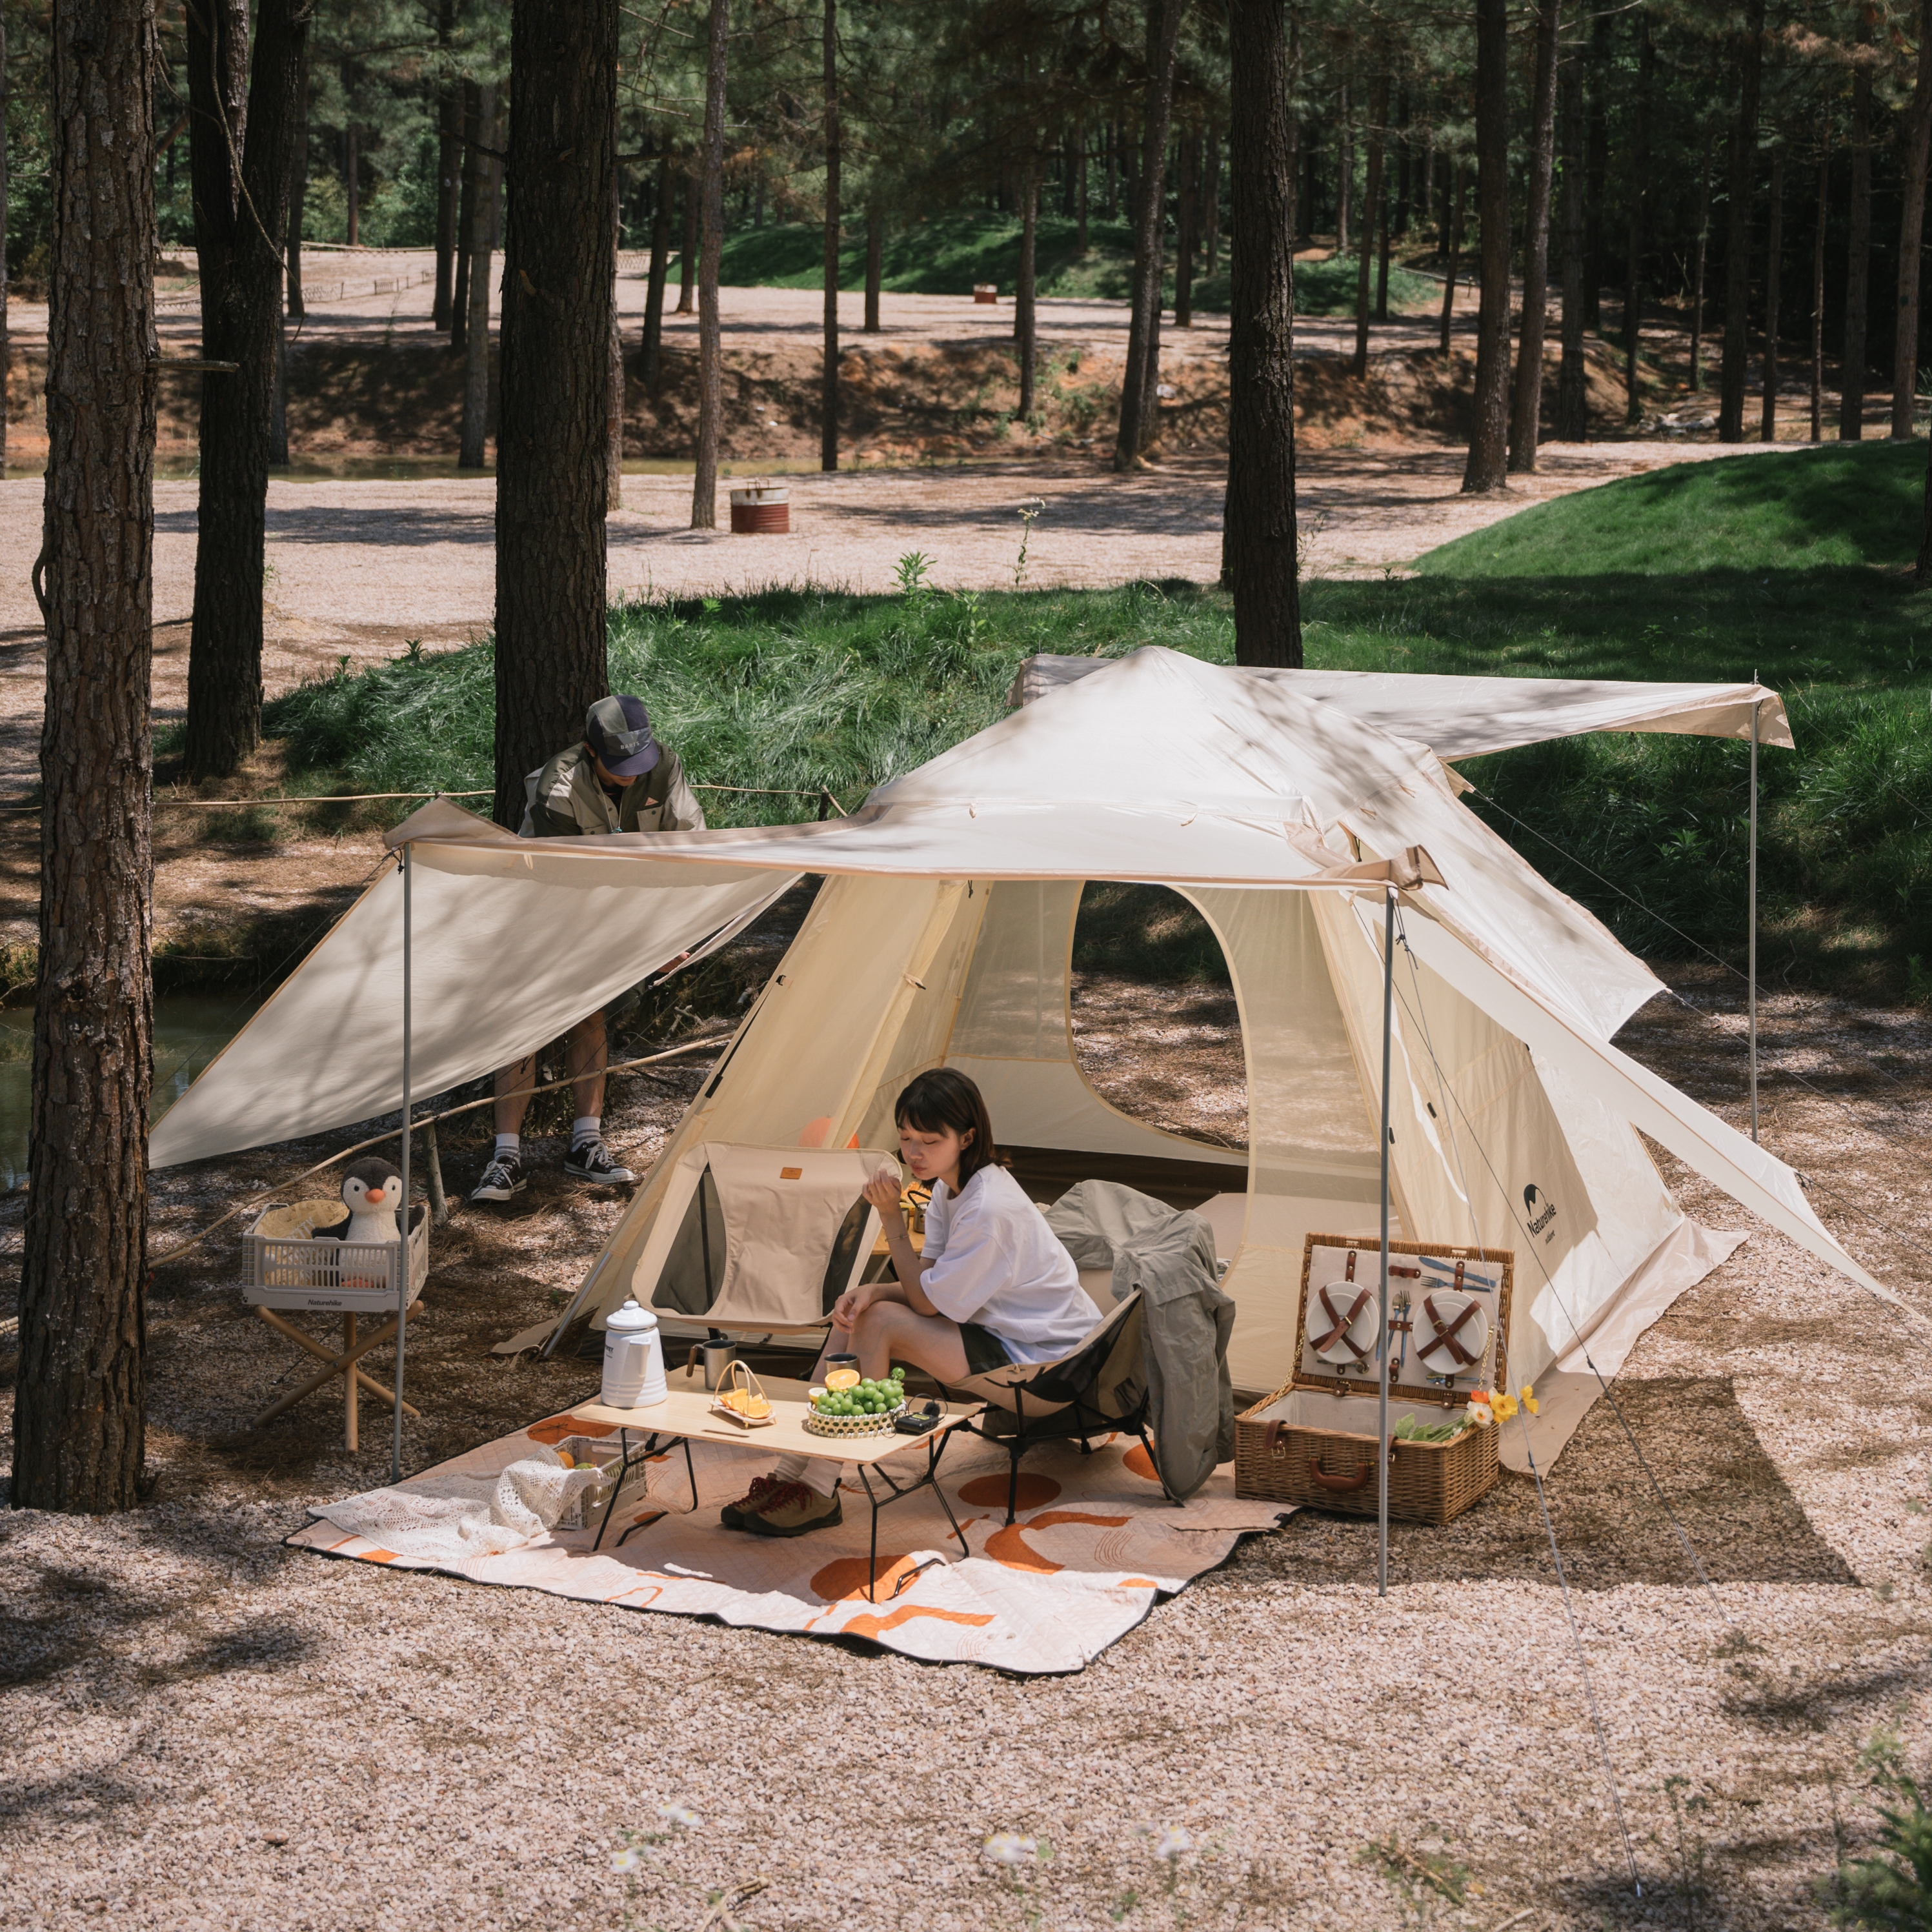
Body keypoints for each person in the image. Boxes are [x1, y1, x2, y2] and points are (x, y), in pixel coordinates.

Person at [724, 1067, 1102, 1538]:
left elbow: (926, 1304)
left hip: (1051, 1363)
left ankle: (820, 1490)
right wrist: (872, 1290)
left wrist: (890, 1217)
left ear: (966, 1137)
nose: (915, 1154)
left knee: (880, 1321)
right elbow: (931, 1284)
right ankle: (788, 1476)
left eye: (930, 1140)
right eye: (906, 1138)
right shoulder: (951, 1188)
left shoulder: (989, 1209)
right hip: (1005, 1333)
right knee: (863, 1312)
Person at [470, 696, 706, 1202]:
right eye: (617, 767)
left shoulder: (664, 768)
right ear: (588, 750)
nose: (629, 776)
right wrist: (644, 944)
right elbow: (571, 884)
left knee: (589, 1015)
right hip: (543, 909)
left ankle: (586, 1144)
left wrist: (668, 933)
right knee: (524, 1021)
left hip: (619, 914)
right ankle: (505, 1156)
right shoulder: (558, 784)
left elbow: (689, 850)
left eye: (635, 766)